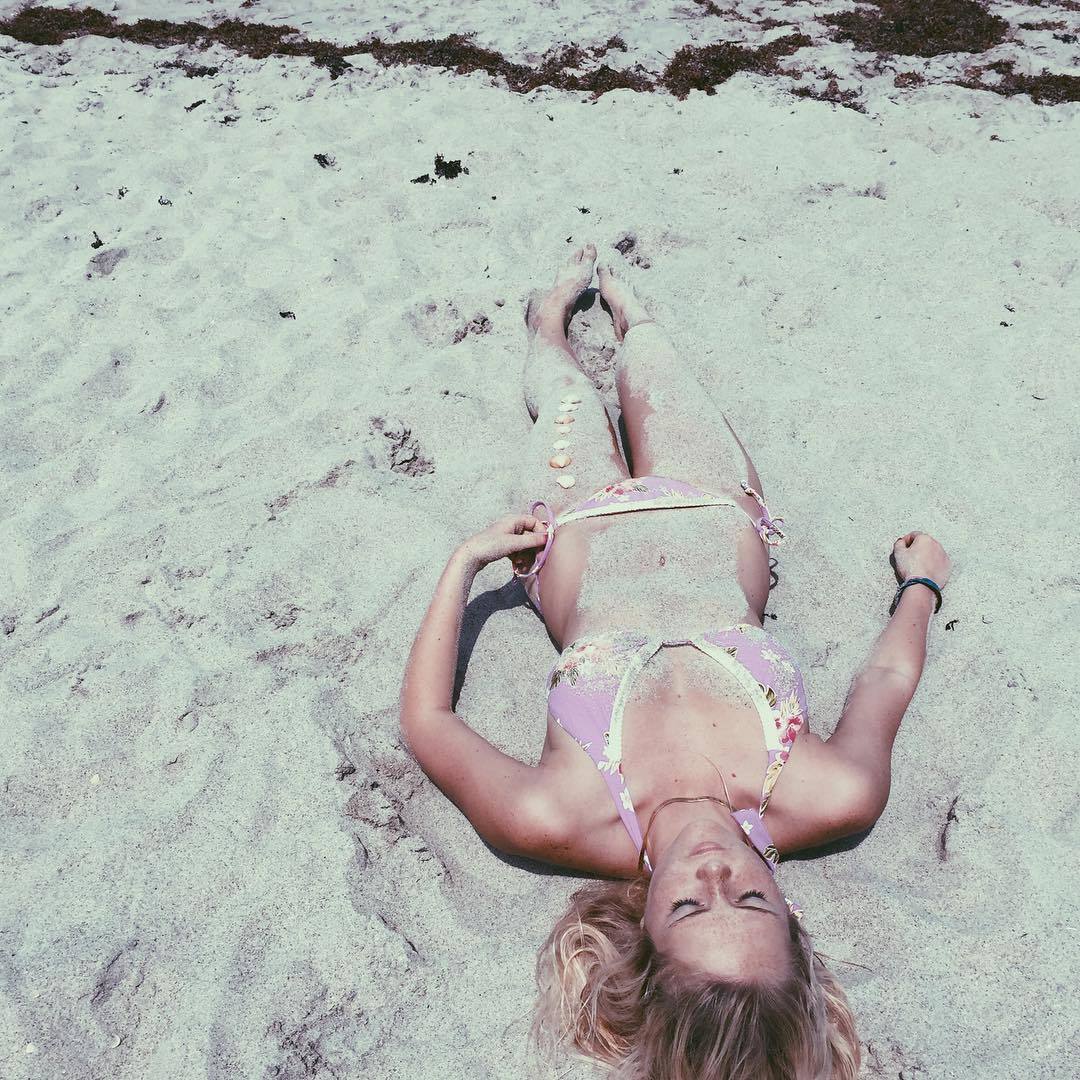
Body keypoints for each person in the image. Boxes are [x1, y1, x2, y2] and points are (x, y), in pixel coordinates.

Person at [400, 244, 951, 1079]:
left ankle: (549, 321)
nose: (715, 871)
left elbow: (428, 722)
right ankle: (624, 307)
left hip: (574, 518)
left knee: (560, 386)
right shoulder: (831, 793)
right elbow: (885, 681)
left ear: (642, 935)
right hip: (714, 498)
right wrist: (922, 587)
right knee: (650, 346)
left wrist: (464, 562)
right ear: (793, 920)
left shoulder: (558, 814)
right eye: (752, 898)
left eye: (691, 906)